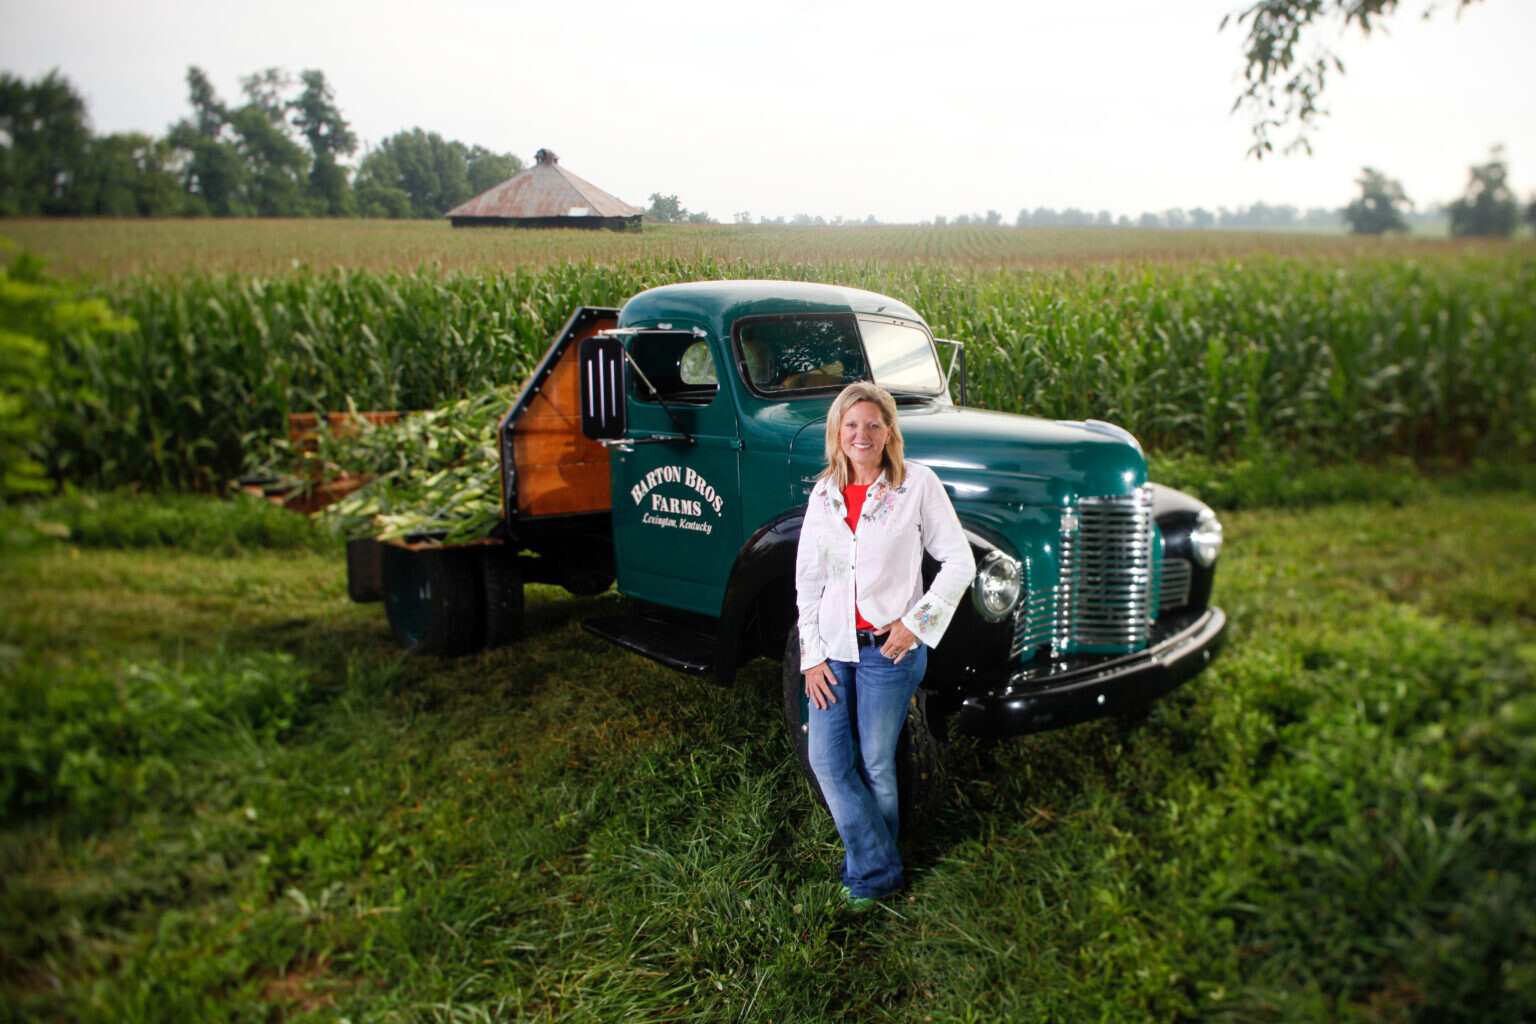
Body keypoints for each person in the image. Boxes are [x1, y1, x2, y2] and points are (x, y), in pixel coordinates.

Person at [793, 381, 975, 910]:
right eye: (851, 425)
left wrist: (917, 623)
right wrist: (810, 656)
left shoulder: (916, 485)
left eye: (873, 424)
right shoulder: (823, 492)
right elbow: (808, 581)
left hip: (889, 651)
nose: (862, 434)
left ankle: (870, 873)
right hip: (831, 649)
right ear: (838, 433)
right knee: (828, 760)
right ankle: (882, 867)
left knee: (875, 761)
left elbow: (959, 561)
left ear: (889, 431)